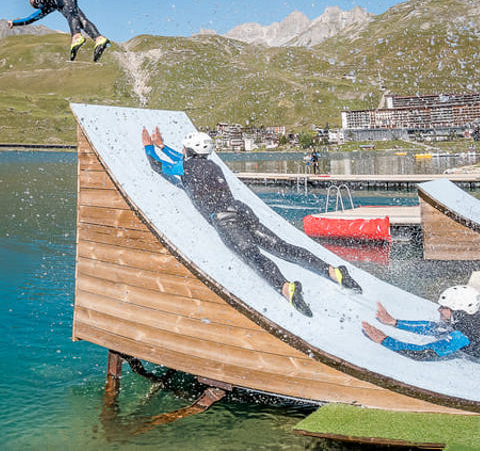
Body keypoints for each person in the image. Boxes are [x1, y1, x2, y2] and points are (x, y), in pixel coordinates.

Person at [142, 126, 361, 317]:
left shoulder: (187, 167)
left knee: (253, 255)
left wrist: (149, 148)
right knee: (281, 246)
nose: (181, 152)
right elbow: (184, 161)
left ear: (189, 151)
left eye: (183, 149)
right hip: (242, 211)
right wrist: (163, 146)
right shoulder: (213, 166)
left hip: (225, 219)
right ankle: (334, 271)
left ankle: (286, 288)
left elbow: (158, 166)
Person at [5, 0, 111, 62]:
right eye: (35, 4)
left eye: (34, 0)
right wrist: (14, 23)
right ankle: (99, 39)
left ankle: (76, 37)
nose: (36, 2)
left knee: (71, 15)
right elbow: (30, 19)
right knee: (81, 20)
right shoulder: (46, 8)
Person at [362, 285, 480, 360]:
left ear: (459, 312)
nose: (438, 310)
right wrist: (395, 322)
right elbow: (434, 328)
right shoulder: (467, 318)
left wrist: (385, 340)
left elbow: (422, 352)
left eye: (444, 307)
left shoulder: (464, 334)